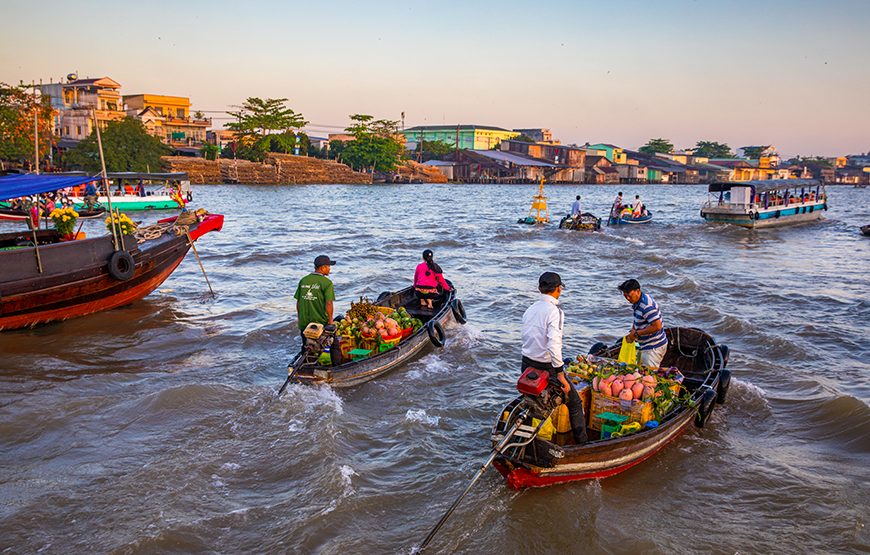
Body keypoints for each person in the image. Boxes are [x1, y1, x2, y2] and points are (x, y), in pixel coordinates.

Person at [521, 272, 588, 444]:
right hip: (546, 367)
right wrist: (560, 374)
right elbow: (553, 344)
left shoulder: (530, 309)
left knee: (531, 404)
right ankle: (582, 444)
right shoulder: (555, 311)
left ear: (539, 289)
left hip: (526, 364)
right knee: (574, 403)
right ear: (559, 289)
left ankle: (525, 440)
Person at [618, 279, 668, 369]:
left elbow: (657, 326)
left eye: (629, 296)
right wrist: (633, 330)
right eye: (625, 296)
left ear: (638, 291)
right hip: (645, 345)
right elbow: (638, 318)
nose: (628, 299)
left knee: (649, 377)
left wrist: (637, 333)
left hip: (653, 347)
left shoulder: (646, 306)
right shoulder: (638, 301)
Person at [295, 255, 336, 336]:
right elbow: (329, 303)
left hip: (304, 324)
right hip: (320, 324)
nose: (330, 269)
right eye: (328, 266)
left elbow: (298, 302)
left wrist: (300, 319)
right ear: (323, 268)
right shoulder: (327, 282)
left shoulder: (303, 280)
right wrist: (331, 323)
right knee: (333, 347)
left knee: (306, 346)